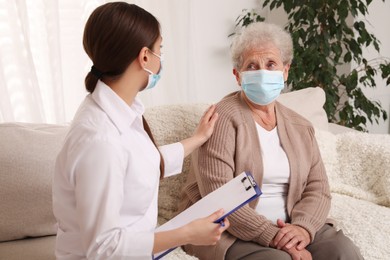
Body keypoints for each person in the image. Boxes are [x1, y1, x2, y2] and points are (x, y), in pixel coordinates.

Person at [52, 2, 230, 259]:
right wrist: (188, 234)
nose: (161, 58)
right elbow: (104, 248)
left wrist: (197, 139)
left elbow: (140, 163)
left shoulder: (119, 109)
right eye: (160, 50)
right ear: (145, 56)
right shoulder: (100, 139)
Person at [178, 22, 364, 260]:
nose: (262, 72)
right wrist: (277, 238)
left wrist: (302, 230)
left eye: (271, 64)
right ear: (238, 75)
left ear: (285, 71)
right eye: (252, 66)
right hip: (225, 228)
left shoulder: (300, 126)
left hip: (291, 225)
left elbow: (318, 188)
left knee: (343, 251)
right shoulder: (222, 118)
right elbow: (219, 196)